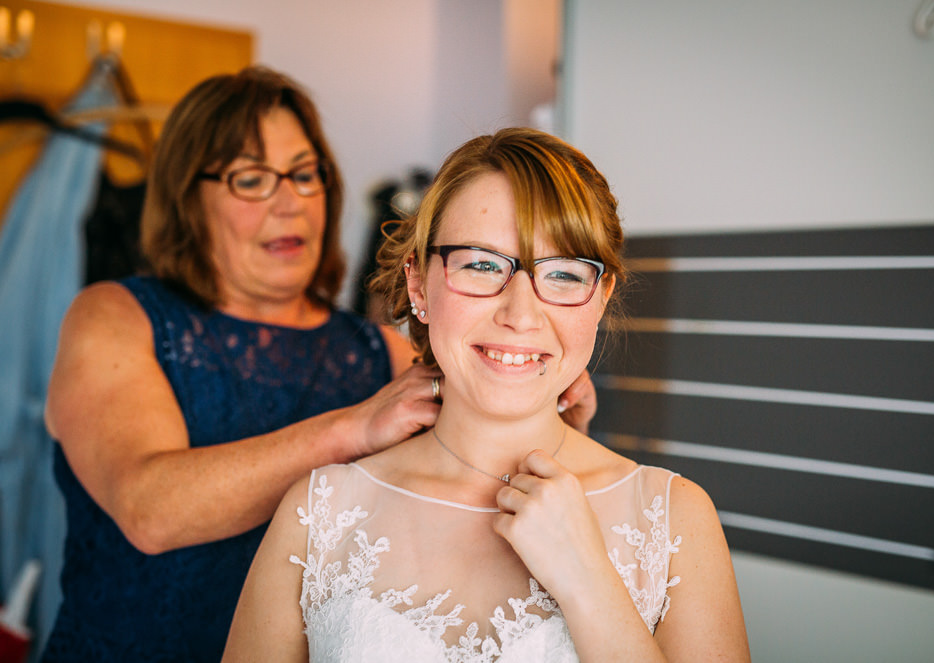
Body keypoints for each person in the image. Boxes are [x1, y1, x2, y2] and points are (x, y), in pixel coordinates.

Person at [41, 69, 595, 662]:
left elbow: (465, 515)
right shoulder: (116, 317)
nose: (290, 202)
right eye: (251, 179)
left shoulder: (380, 352)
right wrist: (350, 430)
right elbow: (149, 510)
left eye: (305, 175)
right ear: (186, 197)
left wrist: (538, 411)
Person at [223, 128, 750, 662]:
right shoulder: (318, 513)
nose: (520, 314)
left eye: (564, 273)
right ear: (418, 287)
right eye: (481, 264)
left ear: (601, 297)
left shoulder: (674, 519)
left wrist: (589, 582)